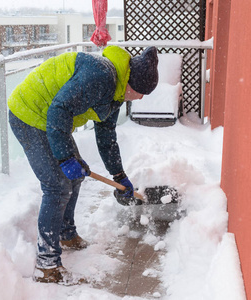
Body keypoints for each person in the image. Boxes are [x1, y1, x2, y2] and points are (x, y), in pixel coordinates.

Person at [8, 45, 159, 284]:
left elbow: (106, 136)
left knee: (77, 174)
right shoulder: (100, 78)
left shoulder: (116, 91)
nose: (140, 98)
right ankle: (47, 266)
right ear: (131, 84)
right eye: (140, 92)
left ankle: (65, 234)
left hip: (52, 118)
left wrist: (119, 175)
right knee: (57, 186)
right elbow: (58, 111)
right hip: (29, 113)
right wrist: (65, 158)